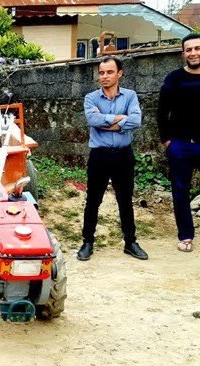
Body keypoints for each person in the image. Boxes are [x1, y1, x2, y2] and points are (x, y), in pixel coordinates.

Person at [77, 56, 148, 261]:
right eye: (101, 73)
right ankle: (87, 242)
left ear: (119, 73)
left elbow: (136, 120)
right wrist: (120, 118)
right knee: (93, 200)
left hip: (123, 155)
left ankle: (130, 242)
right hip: (99, 156)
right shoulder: (91, 98)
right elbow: (93, 119)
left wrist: (106, 121)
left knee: (125, 200)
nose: (104, 76)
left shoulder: (130, 95)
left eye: (109, 72)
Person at [157, 33, 200, 253]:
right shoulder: (173, 78)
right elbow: (162, 112)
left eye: (197, 48)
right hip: (180, 145)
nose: (193, 53)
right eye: (188, 50)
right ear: (183, 54)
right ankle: (185, 236)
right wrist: (167, 141)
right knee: (180, 191)